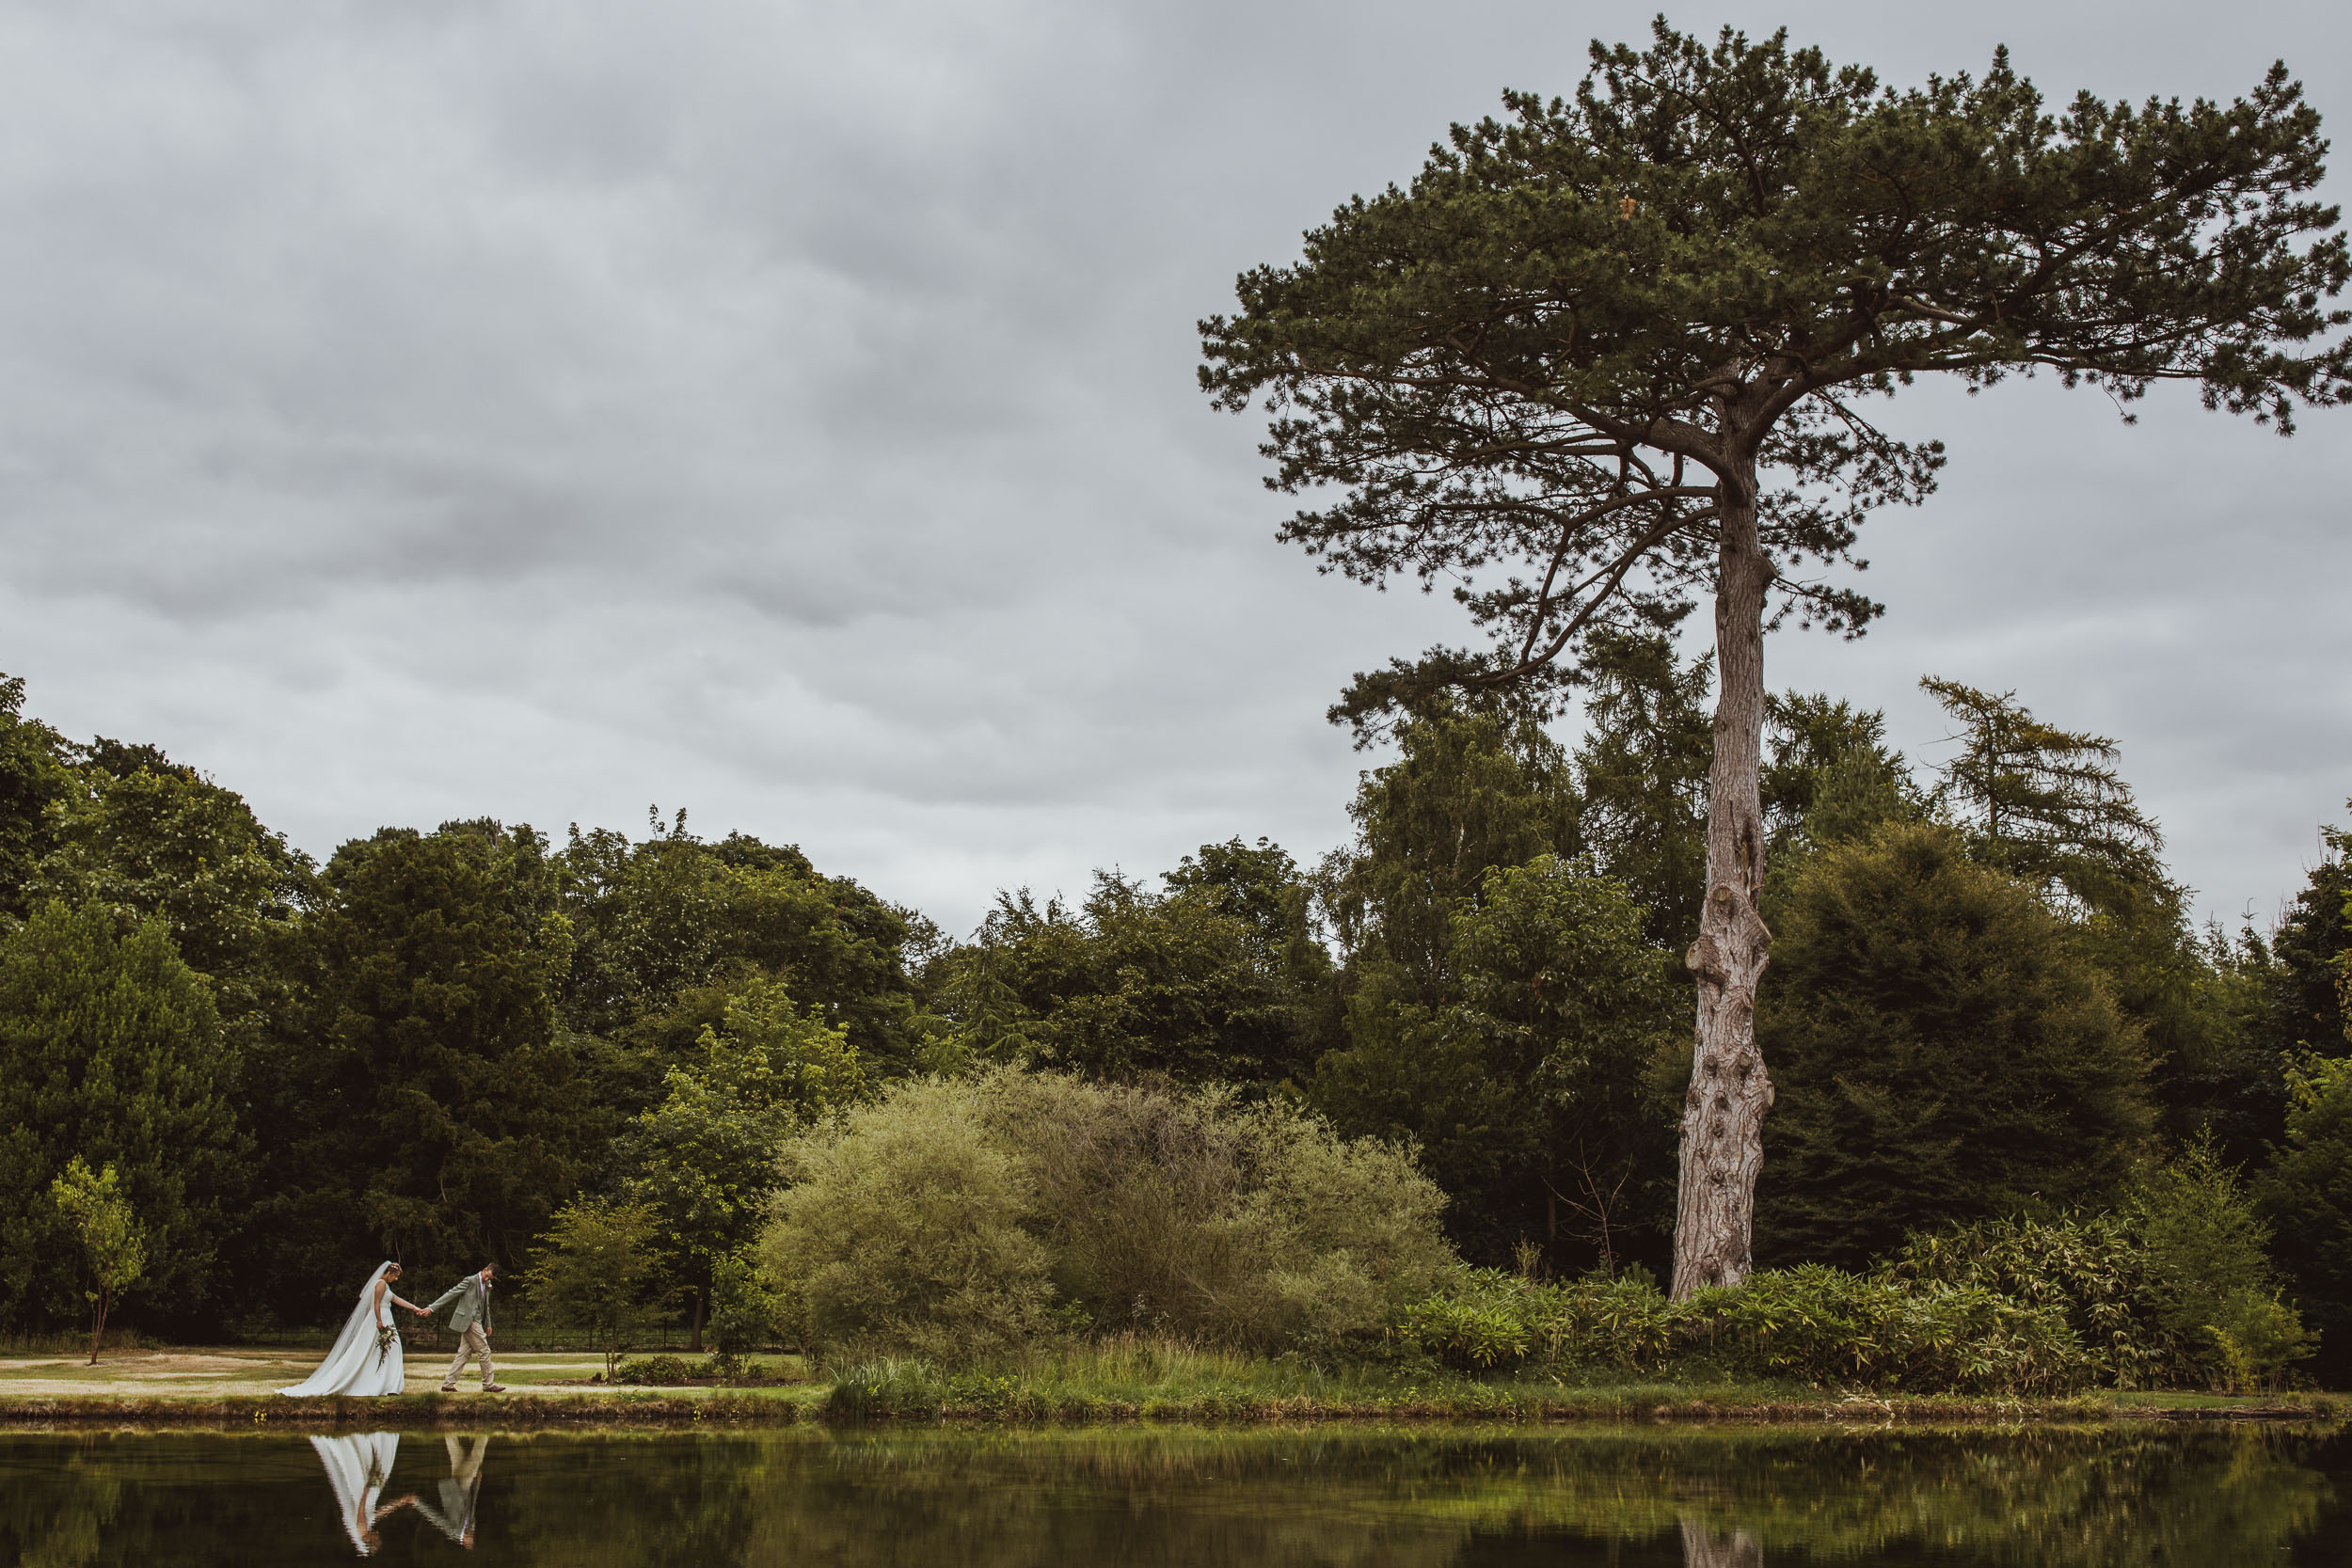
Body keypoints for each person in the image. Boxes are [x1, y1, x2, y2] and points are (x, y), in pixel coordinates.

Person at [278, 1263, 428, 1398]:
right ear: (389, 1273)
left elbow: (396, 1299)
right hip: (380, 1319)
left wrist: (415, 1308)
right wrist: (379, 1321)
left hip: (386, 1318)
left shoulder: (385, 1286)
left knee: (389, 1350)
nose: (396, 1279)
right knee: (379, 1350)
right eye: (395, 1276)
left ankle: (388, 1384)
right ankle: (382, 1383)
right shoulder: (381, 1283)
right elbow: (376, 1304)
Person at [310, 1432, 417, 1556]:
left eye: (377, 1540)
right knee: (372, 1464)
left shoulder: (361, 1529)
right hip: (367, 1496)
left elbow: (361, 1510)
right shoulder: (364, 1529)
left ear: (369, 1540)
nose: (378, 1537)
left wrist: (365, 1491)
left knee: (368, 1464)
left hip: (364, 1494)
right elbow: (378, 1513)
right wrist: (401, 1502)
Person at [424, 1262, 507, 1393]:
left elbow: (486, 1305)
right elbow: (451, 1293)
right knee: (484, 1351)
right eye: (487, 1276)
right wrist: (432, 1308)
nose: (487, 1280)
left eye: (490, 1279)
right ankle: (488, 1384)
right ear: (485, 1269)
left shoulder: (486, 1285)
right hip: (469, 1320)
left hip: (478, 1321)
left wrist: (488, 1324)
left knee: (463, 1354)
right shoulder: (470, 1281)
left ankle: (448, 1385)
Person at [414, 1434, 491, 1548]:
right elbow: (473, 1505)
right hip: (465, 1487)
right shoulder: (471, 1527)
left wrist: (417, 1503)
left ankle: (484, 1434)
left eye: (469, 1539)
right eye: (472, 1538)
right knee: (456, 1452)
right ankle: (448, 1432)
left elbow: (435, 1518)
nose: (471, 1535)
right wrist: (477, 1483)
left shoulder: (452, 1531)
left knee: (475, 1459)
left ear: (464, 1542)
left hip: (456, 1488)